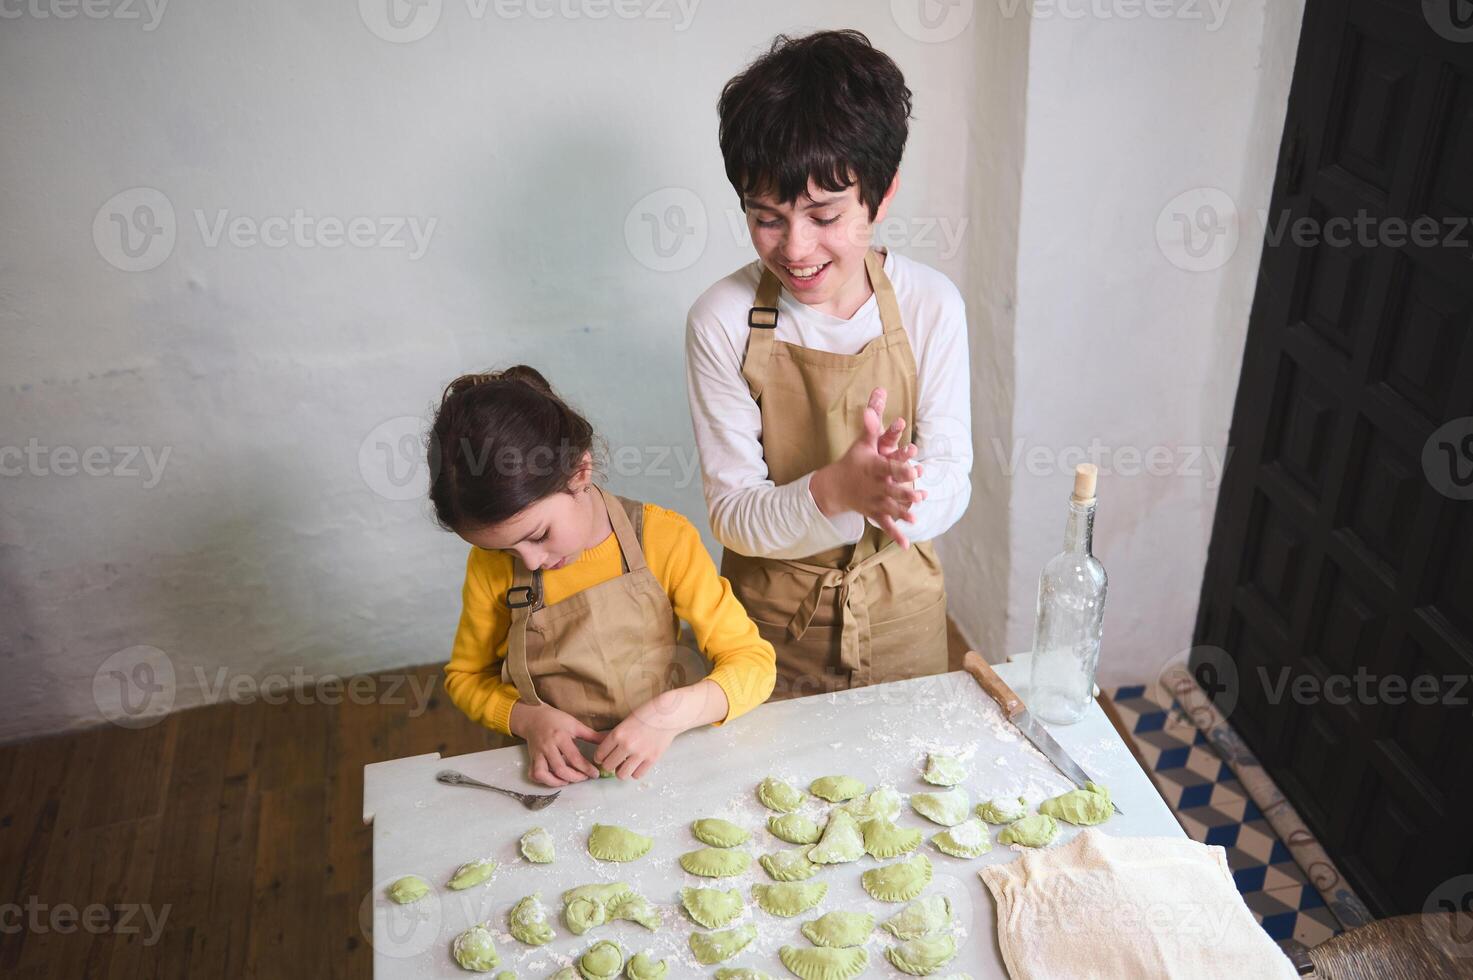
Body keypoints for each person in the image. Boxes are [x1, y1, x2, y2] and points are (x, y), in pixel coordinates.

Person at [686, 29, 973, 699]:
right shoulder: (721, 320)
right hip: (766, 630)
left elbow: (953, 470)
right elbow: (731, 513)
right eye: (767, 218)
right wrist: (834, 491)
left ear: (882, 193)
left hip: (902, 608)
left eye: (823, 214)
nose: (794, 247)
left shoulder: (930, 304)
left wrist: (897, 494)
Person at [434, 366, 776, 786]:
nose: (530, 560)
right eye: (505, 550)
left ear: (580, 472)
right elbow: (466, 679)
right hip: (553, 772)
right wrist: (526, 719)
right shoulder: (490, 568)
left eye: (539, 535)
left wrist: (672, 713)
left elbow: (754, 665)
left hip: (659, 756)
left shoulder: (663, 539)